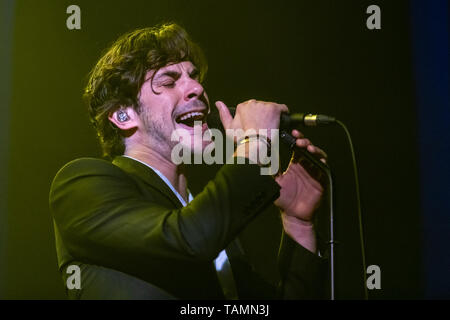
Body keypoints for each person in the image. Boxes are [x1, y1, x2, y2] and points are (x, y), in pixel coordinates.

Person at [49, 23, 329, 300]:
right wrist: (255, 143)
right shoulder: (80, 184)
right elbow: (189, 239)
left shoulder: (214, 223)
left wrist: (298, 224)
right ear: (124, 116)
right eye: (169, 81)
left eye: (194, 77)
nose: (197, 88)